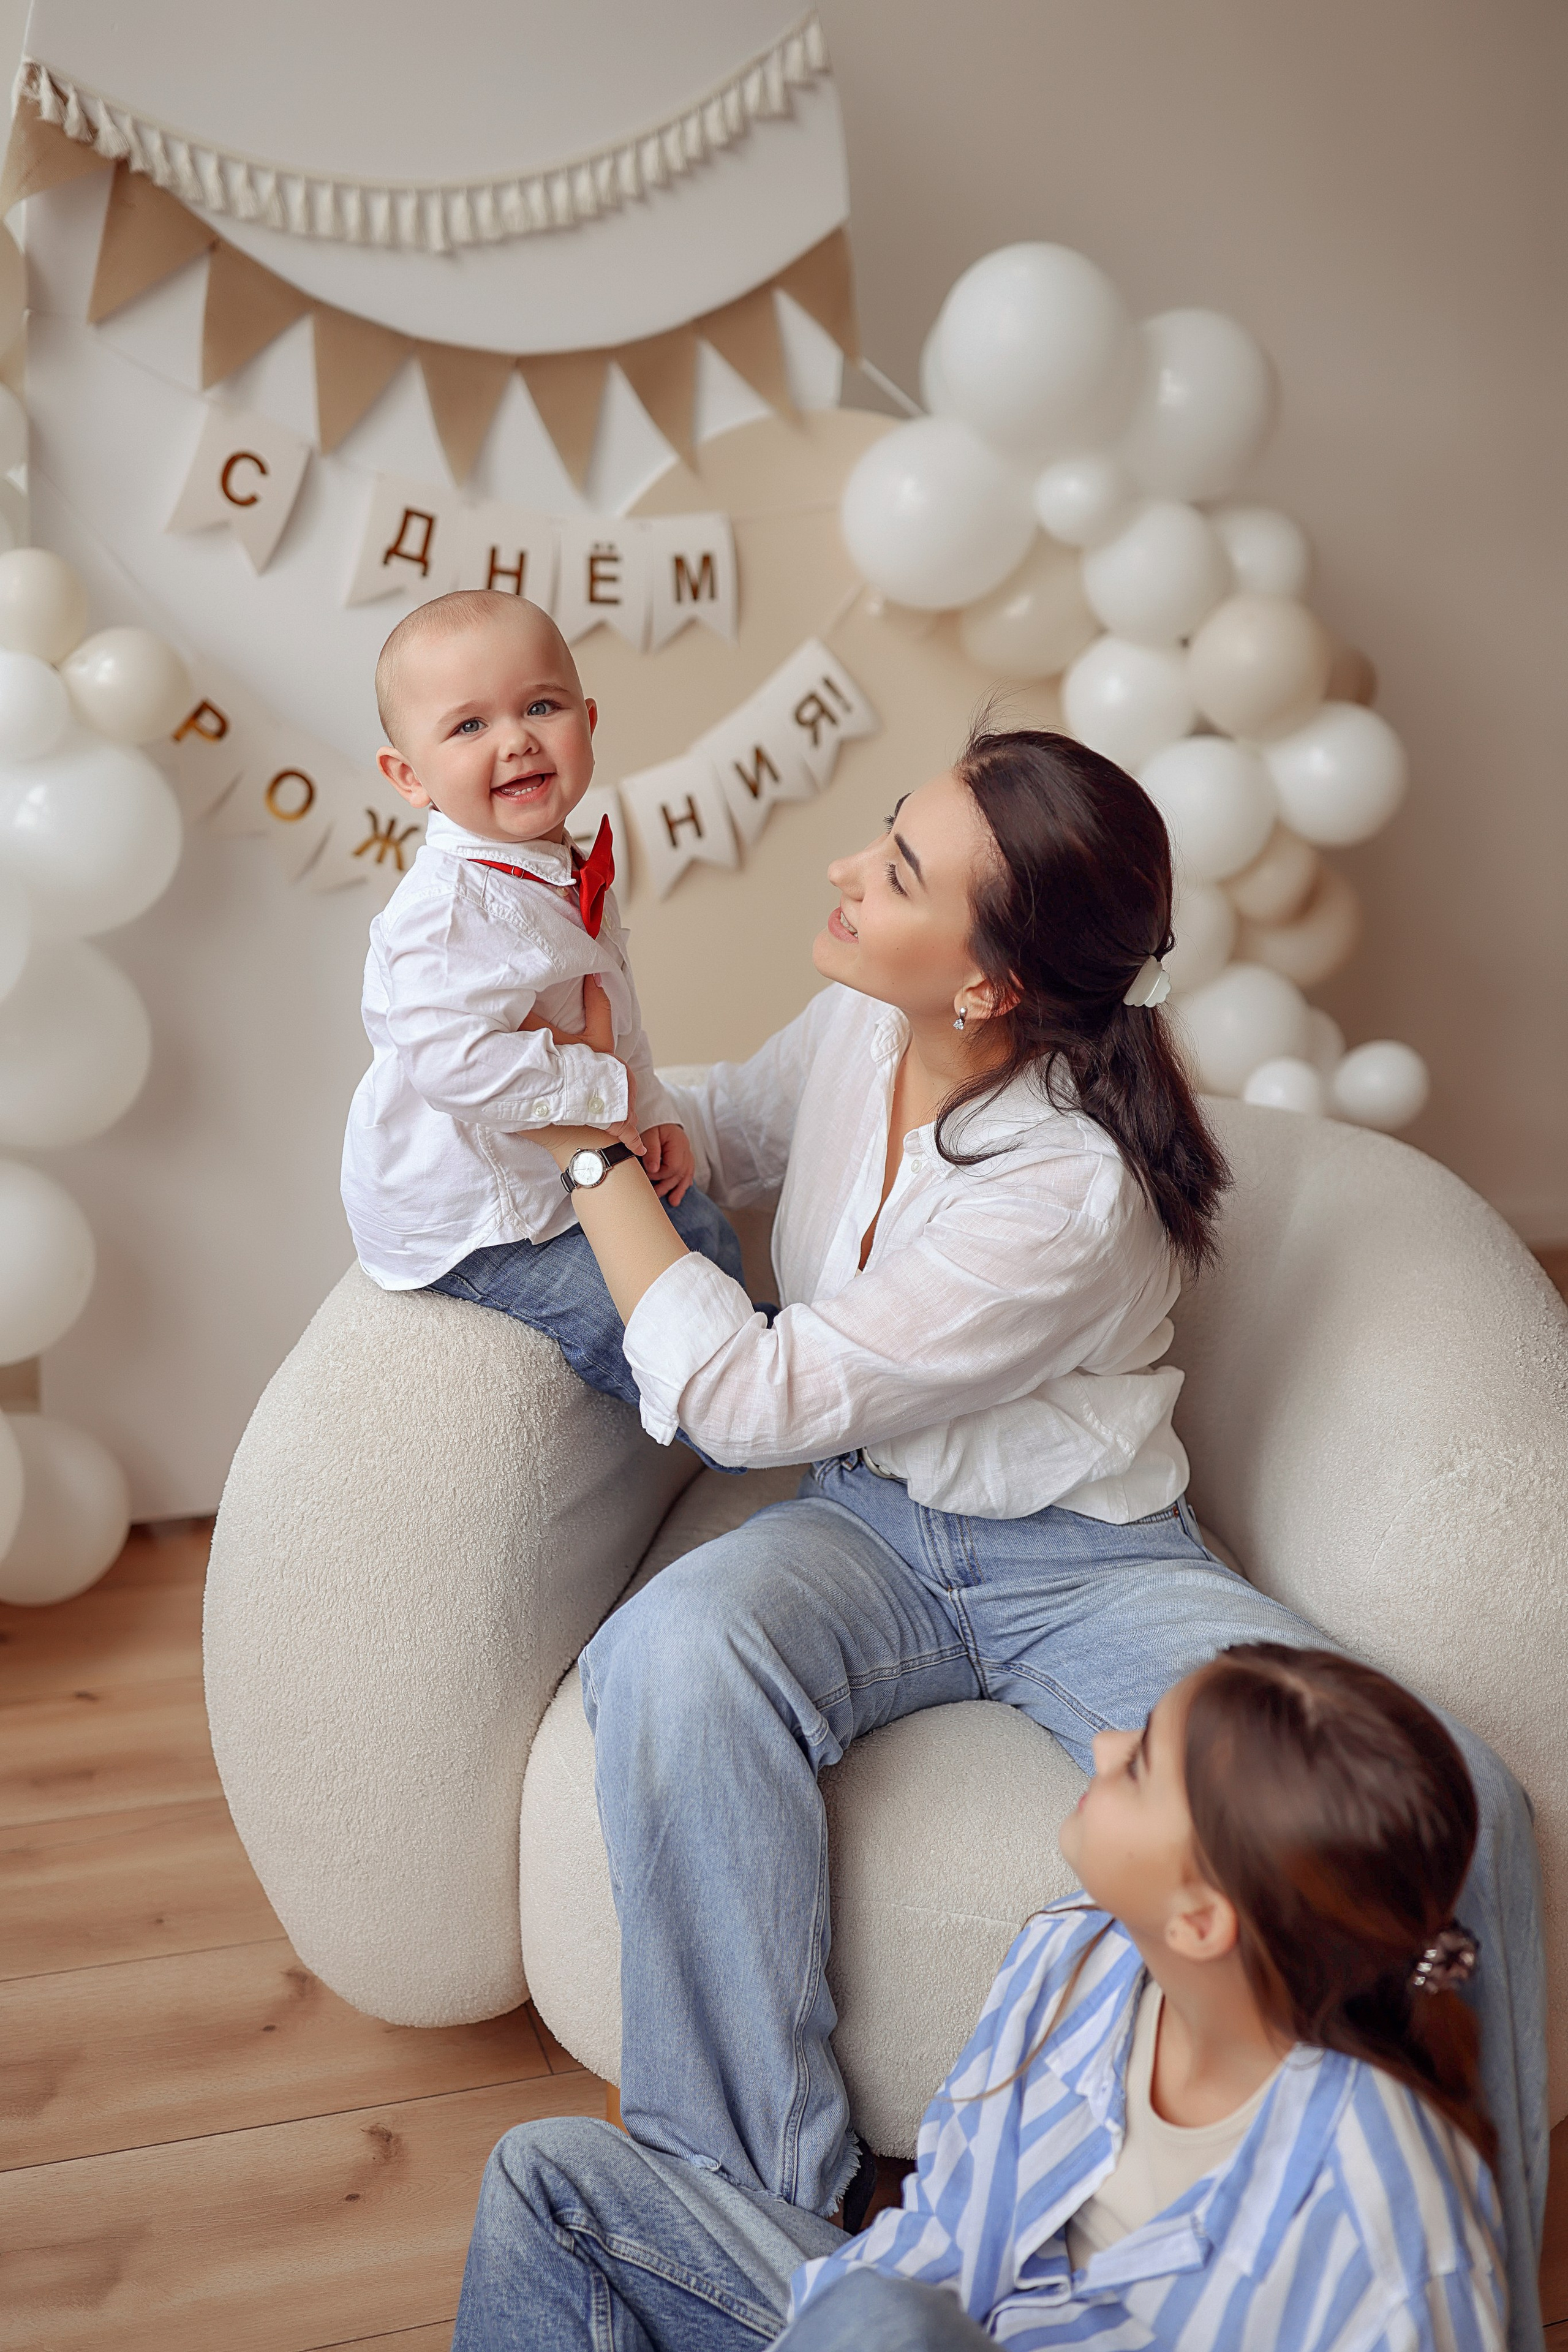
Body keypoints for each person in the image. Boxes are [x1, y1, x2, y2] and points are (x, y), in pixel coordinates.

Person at [494, 728, 1547, 2345]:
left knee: (1459, 1789)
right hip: (874, 1529)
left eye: (900, 874)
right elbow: (741, 1126)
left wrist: (587, 1164)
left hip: (1091, 1561)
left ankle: (1485, 2262)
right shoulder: (864, 1021)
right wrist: (627, 1102)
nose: (848, 874)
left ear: (989, 985)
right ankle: (755, 2234)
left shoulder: (1069, 1190)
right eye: (883, 838)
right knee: (671, 1657)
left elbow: (748, 1399)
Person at [451, 1645, 1507, 2351]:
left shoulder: (1392, 2223)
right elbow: (937, 2238)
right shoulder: (1074, 1957)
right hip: (923, 2331)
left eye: (1138, 1767)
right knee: (549, 2178)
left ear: (1202, 1919)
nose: (1100, 1749)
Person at [338, 589, 742, 1456]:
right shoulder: (443, 918)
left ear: (587, 722)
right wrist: (610, 1090)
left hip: (572, 1145)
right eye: (468, 727)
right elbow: (457, 1068)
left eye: (541, 707)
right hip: (477, 1212)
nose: (516, 739)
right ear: (408, 777)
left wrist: (654, 1105)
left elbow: (607, 1004)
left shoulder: (558, 860)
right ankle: (737, 1426)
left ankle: (775, 1367)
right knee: (616, 1311)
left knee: (703, 1232)